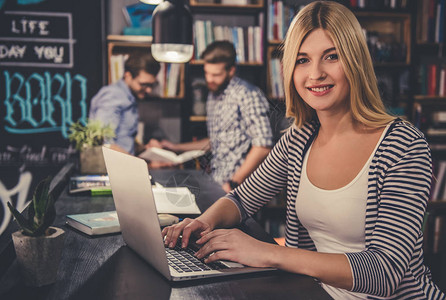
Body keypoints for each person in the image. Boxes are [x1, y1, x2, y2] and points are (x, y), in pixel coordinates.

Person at [162, 2, 445, 299]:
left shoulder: (403, 145)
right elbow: (242, 199)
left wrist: (267, 252)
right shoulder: (298, 140)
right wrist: (202, 223)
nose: (316, 74)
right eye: (302, 60)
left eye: (331, 57)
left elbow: (384, 272)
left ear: (355, 60)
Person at [161, 41, 274, 192]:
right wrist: (176, 148)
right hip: (217, 182)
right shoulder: (214, 95)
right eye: (207, 72)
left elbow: (263, 146)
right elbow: (215, 141)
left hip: (241, 188)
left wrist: (234, 183)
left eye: (216, 74)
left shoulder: (247, 95)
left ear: (231, 71)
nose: (209, 79)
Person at [89, 51, 163, 156]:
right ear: (128, 76)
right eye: (143, 84)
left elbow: (123, 141)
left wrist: (145, 148)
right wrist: (139, 164)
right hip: (112, 170)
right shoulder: (113, 95)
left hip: (124, 167)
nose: (149, 90)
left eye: (151, 85)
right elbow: (104, 143)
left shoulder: (129, 97)